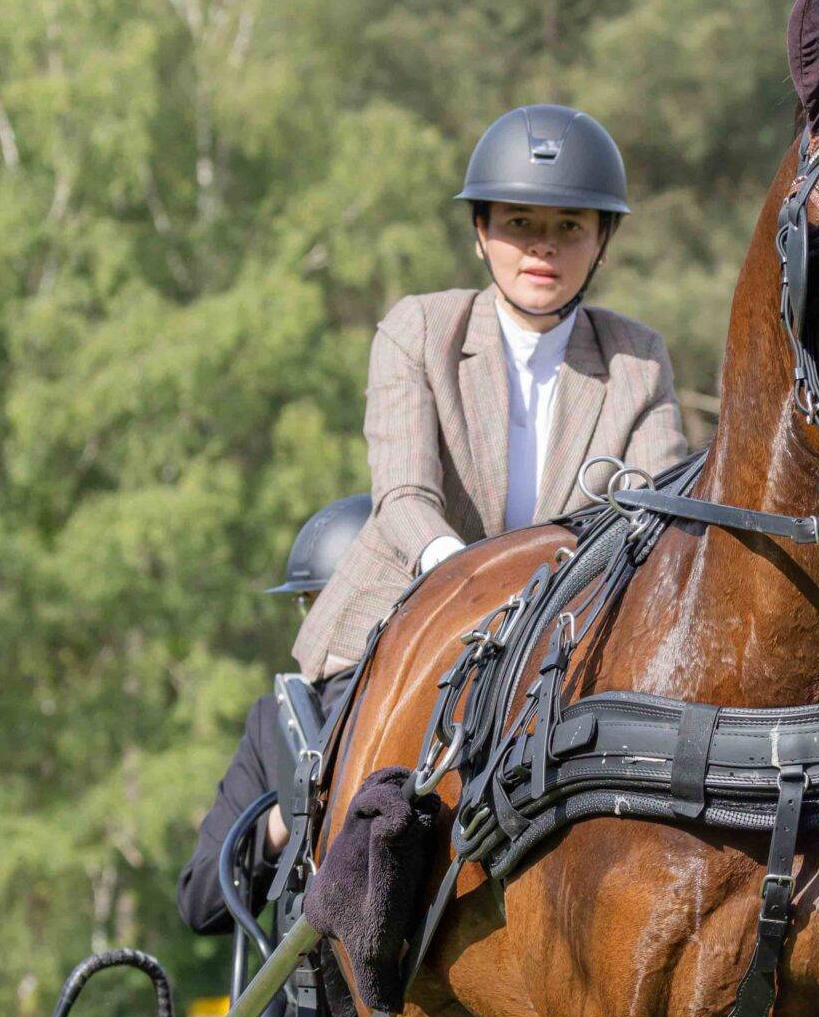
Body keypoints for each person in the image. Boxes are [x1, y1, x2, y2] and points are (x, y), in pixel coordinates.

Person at [291, 105, 689, 681]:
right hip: (401, 618)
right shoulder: (419, 331)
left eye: (569, 226)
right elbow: (404, 496)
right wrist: (475, 585)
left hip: (562, 641)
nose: (543, 248)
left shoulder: (637, 359)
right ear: (481, 232)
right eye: (520, 223)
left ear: (603, 239)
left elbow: (652, 516)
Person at [176, 496, 369, 934]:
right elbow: (201, 901)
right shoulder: (277, 722)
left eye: (316, 604)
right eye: (307, 604)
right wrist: (283, 820)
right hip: (312, 970)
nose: (312, 622)